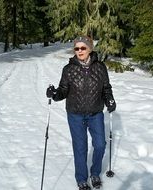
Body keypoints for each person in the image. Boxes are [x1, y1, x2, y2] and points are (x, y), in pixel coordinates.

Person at [46, 35, 116, 190]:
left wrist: (110, 100)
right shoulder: (68, 69)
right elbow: (63, 91)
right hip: (75, 114)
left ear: (89, 49)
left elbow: (106, 88)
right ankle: (81, 179)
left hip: (95, 112)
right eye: (76, 48)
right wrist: (54, 94)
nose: (79, 51)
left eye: (83, 47)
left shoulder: (100, 67)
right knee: (80, 148)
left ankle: (95, 173)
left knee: (100, 145)